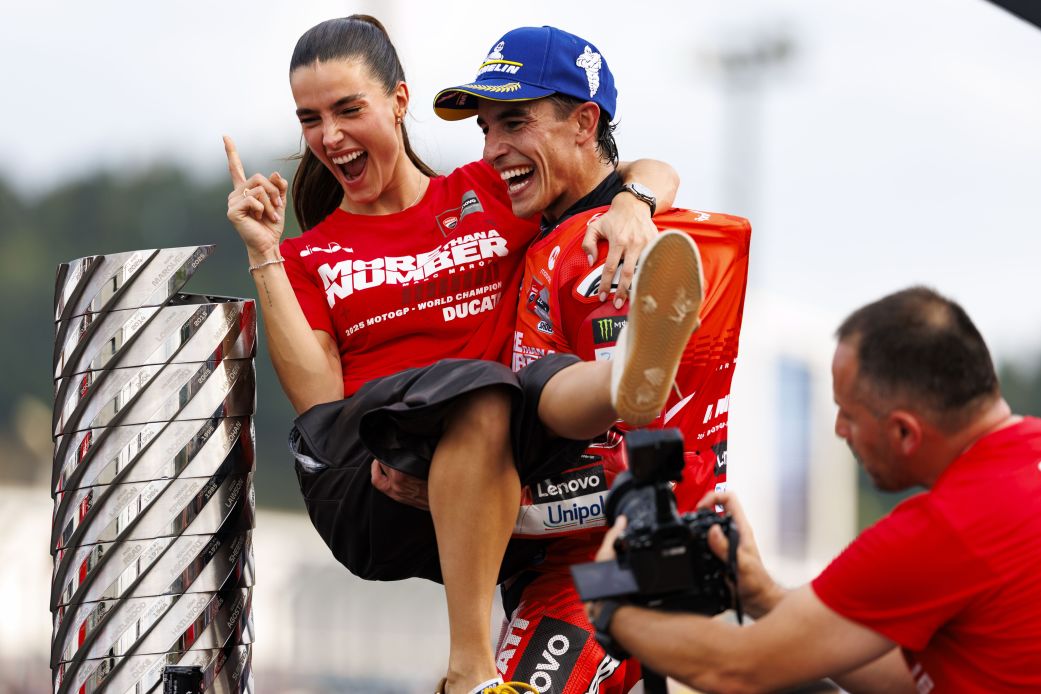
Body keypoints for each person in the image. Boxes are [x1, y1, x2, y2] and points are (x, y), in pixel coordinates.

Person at [223, 15, 693, 694]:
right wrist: (263, 252)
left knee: (536, 385)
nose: (329, 136)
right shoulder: (308, 254)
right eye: (310, 118)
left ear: (399, 101)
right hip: (374, 469)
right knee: (481, 390)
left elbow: (642, 167)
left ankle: (626, 377)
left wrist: (632, 204)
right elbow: (320, 405)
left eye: (347, 109)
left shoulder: (489, 192)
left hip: (491, 468)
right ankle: (468, 673)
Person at [433, 26, 752, 692]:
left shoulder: (584, 248)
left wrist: (463, 487)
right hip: (662, 550)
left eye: (514, 122)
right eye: (486, 129)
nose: (493, 150)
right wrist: (634, 197)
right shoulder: (600, 224)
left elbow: (606, 469)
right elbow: (650, 175)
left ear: (583, 122)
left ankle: (609, 378)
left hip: (596, 563)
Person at [587, 286, 1041, 693]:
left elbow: (736, 668)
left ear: (905, 432)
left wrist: (607, 600)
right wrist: (764, 596)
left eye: (849, 415)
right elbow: (913, 679)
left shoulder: (943, 529)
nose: (840, 430)